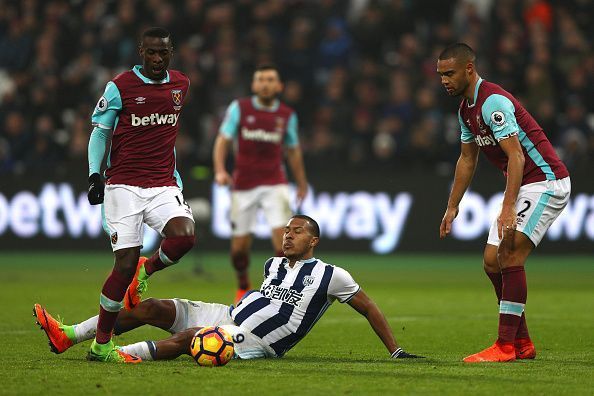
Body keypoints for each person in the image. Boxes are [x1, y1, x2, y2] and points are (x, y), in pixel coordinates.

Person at [34, 215, 422, 362]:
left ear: (314, 240)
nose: (288, 236)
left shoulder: (332, 275)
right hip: (229, 314)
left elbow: (369, 306)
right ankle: (69, 335)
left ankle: (120, 357)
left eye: (297, 231)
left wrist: (396, 350)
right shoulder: (273, 264)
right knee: (151, 307)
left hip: (257, 341)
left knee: (191, 337)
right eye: (286, 230)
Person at [437, 43, 571, 363]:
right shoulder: (465, 111)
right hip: (527, 183)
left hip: (546, 181)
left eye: (449, 73)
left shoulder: (492, 101)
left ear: (469, 68)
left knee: (509, 253)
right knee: (490, 260)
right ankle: (521, 341)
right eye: (440, 75)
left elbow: (516, 155)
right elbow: (467, 159)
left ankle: (505, 345)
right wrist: (452, 205)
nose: (444, 80)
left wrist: (508, 206)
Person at [83, 27, 196, 363]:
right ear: (141, 52)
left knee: (185, 236)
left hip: (162, 184)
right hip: (124, 186)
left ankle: (148, 270)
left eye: (163, 53)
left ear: (171, 51)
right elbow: (100, 134)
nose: (157, 59)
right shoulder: (119, 87)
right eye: (151, 53)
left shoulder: (181, 85)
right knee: (124, 264)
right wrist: (93, 175)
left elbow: (166, 134)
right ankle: (101, 344)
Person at [213, 65, 309, 303]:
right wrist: (220, 170)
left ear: (279, 86)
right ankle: (243, 284)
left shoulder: (287, 115)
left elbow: (294, 151)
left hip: (275, 183)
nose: (265, 84)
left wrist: (301, 182)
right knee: (239, 250)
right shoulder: (240, 108)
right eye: (261, 80)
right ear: (254, 85)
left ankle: (279, 289)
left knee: (284, 241)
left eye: (270, 80)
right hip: (243, 185)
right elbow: (223, 140)